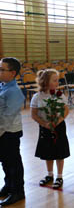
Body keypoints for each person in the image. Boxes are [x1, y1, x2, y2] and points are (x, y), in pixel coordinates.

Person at [31, 69, 70, 189]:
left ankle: (59, 176)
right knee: (48, 152)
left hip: (59, 127)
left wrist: (57, 121)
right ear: (45, 81)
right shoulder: (37, 97)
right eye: (55, 80)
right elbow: (34, 115)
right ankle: (49, 175)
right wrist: (45, 124)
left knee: (59, 152)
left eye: (57, 80)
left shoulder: (60, 95)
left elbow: (66, 110)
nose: (57, 82)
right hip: (45, 127)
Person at [0, 58, 25, 206]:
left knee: (13, 162)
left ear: (13, 73)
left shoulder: (14, 91)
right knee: (5, 162)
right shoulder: (3, 87)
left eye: (2, 69)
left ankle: (18, 192)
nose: (0, 72)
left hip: (9, 132)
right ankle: (8, 186)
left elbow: (7, 118)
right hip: (2, 132)